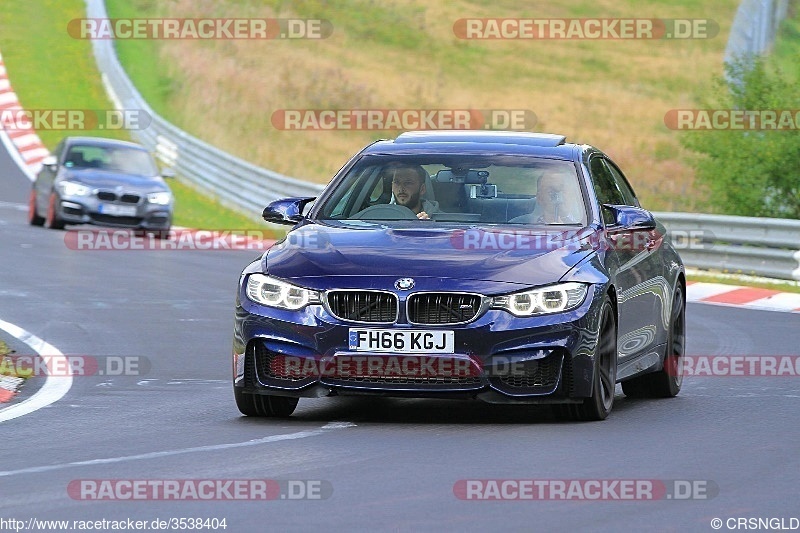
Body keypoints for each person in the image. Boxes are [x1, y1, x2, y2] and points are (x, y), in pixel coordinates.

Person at [511, 171, 581, 224]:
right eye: (551, 191)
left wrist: (566, 218)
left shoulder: (584, 229)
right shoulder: (520, 226)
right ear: (539, 198)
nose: (558, 196)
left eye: (562, 190)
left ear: (573, 195)